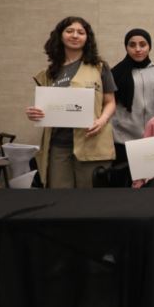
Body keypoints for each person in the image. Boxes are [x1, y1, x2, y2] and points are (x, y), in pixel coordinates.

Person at [26, 16, 117, 188]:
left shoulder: (99, 67)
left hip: (91, 141)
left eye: (81, 32)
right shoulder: (50, 73)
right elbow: (45, 107)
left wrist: (102, 120)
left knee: (90, 197)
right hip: (58, 146)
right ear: (60, 35)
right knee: (60, 197)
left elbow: (110, 102)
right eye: (69, 31)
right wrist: (35, 113)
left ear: (87, 38)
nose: (75, 35)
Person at [111, 28, 154, 164]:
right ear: (126, 47)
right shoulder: (116, 73)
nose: (138, 49)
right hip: (123, 139)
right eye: (132, 45)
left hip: (153, 137)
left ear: (149, 46)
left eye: (142, 44)